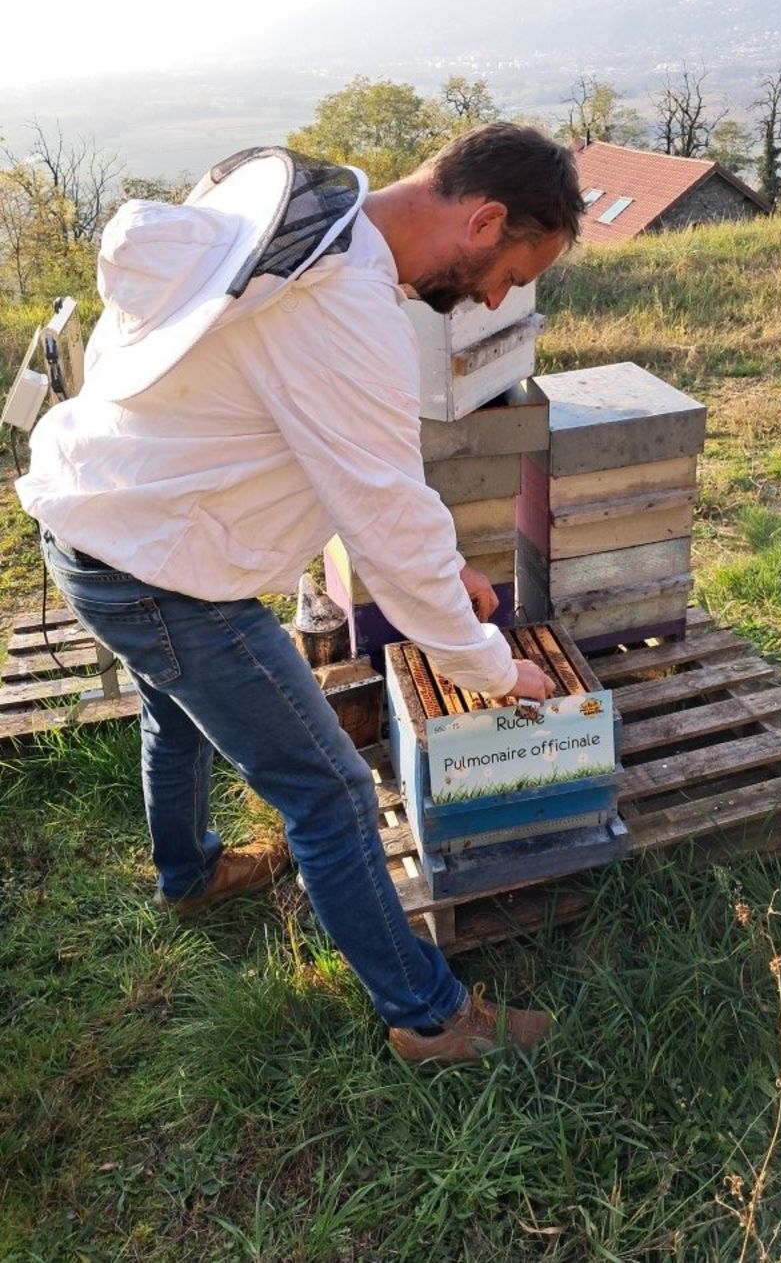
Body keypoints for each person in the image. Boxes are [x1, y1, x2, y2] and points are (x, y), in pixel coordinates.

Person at [16, 122, 585, 1065]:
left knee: (176, 706)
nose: (495, 298)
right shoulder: (341, 301)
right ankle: (429, 1017)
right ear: (484, 221)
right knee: (330, 789)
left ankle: (189, 874)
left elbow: (330, 452)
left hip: (101, 517)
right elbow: (388, 516)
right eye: (512, 275)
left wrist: (452, 571)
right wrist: (491, 669)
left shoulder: (311, 216)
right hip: (159, 569)